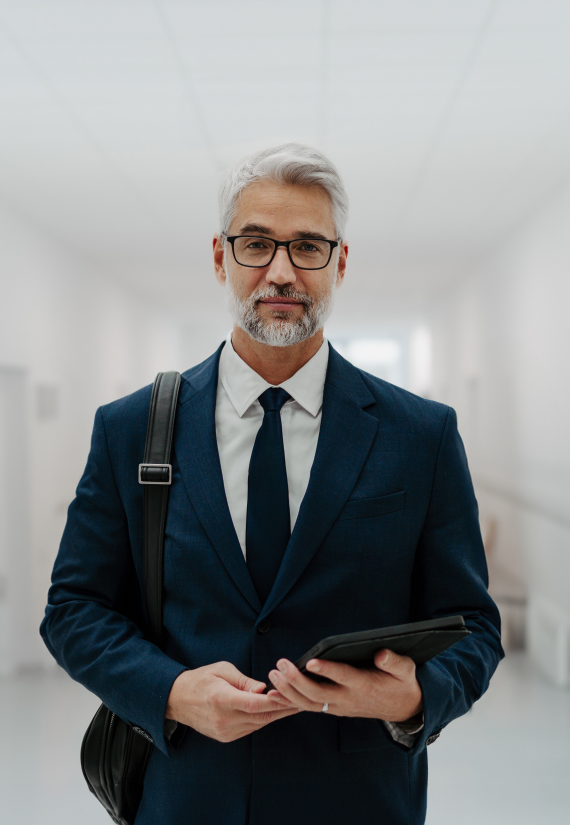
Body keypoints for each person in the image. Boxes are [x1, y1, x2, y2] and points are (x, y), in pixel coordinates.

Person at [41, 143, 503, 825]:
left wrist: (413, 697)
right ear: (220, 257)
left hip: (360, 802)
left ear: (340, 262)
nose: (281, 271)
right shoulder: (131, 429)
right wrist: (171, 691)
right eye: (256, 243)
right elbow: (74, 609)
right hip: (188, 797)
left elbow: (475, 628)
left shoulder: (421, 435)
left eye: (308, 246)